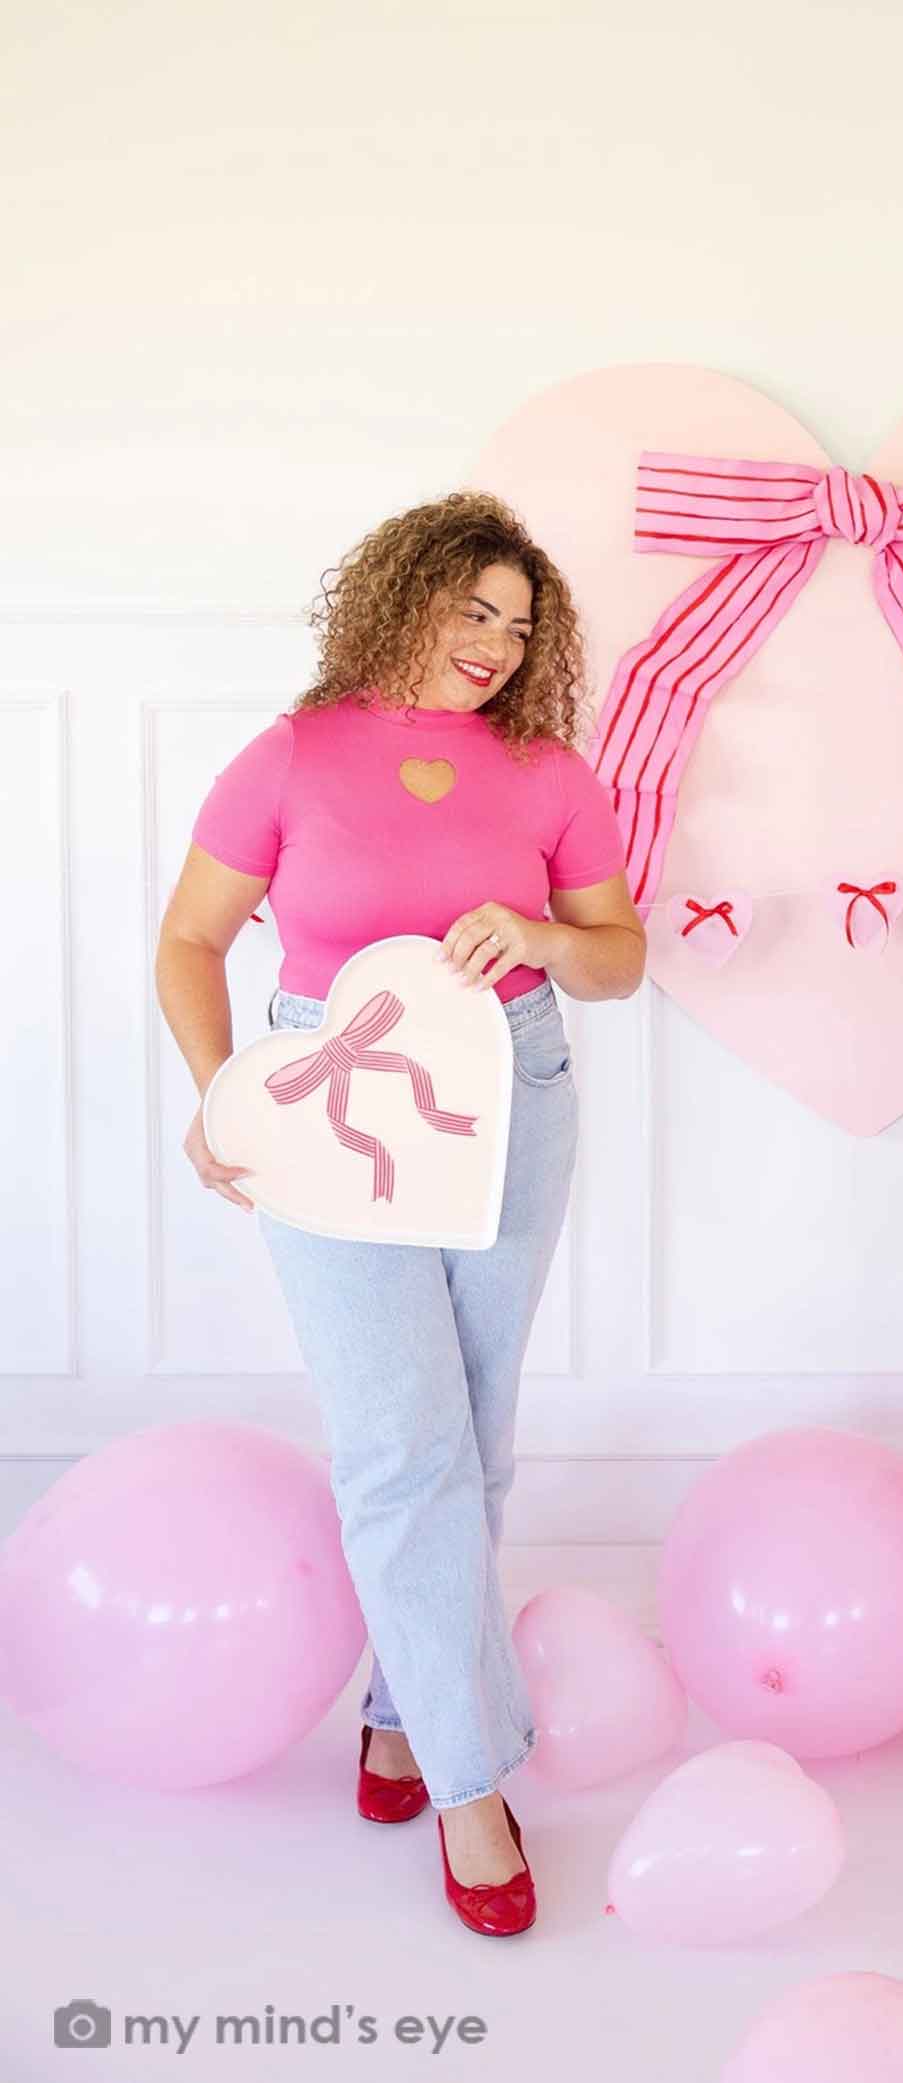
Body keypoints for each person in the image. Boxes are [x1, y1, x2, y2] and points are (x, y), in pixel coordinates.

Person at [154, 492, 645, 1936]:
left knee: (471, 1438)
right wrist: (222, 1089)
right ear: (402, 597)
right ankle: (470, 1783)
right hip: (326, 1104)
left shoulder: (550, 771)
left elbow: (617, 959)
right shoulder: (292, 756)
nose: (494, 642)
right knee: (397, 1444)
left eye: (517, 620)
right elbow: (189, 937)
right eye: (469, 607)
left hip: (515, 1090)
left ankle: (398, 1714)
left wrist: (549, 936)